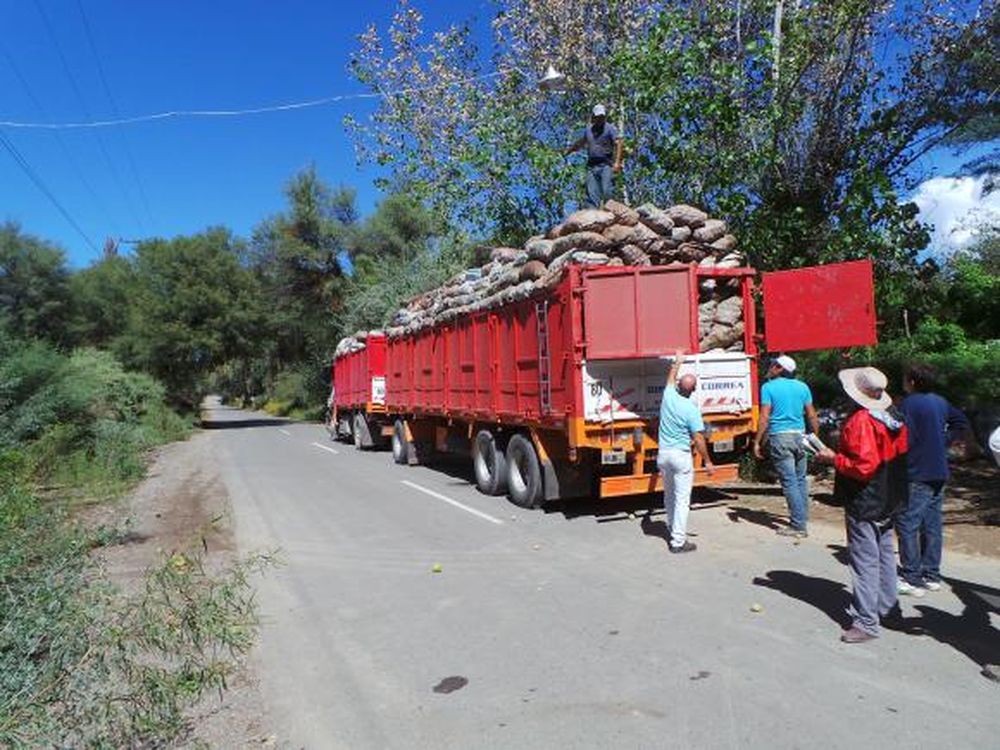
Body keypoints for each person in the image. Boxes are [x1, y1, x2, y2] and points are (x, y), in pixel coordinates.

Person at [815, 367, 909, 644]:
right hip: (890, 494)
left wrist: (833, 459)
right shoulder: (894, 415)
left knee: (865, 561)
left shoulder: (861, 421)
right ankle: (888, 609)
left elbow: (863, 466)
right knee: (885, 555)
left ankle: (866, 621)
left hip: (865, 498)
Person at [895, 363, 970, 597]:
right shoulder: (940, 401)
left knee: (908, 523)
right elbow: (961, 422)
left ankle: (911, 576)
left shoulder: (907, 404)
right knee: (932, 524)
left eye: (906, 378)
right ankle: (931, 575)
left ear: (913, 382)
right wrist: (944, 440)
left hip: (917, 470)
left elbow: (897, 433)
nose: (904, 381)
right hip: (939, 469)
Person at [752, 355, 820, 538]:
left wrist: (757, 441)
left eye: (773, 365)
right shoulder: (802, 387)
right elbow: (812, 415)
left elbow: (765, 417)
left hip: (780, 438)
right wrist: (815, 437)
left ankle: (798, 525)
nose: (770, 367)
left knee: (789, 482)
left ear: (780, 369)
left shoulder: (768, 387)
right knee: (800, 480)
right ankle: (801, 519)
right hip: (800, 437)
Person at [657, 350, 714, 553]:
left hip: (663, 455)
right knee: (682, 500)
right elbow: (698, 438)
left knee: (669, 496)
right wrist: (707, 460)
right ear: (693, 390)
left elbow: (671, 378)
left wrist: (677, 361)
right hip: (680, 456)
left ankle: (673, 528)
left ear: (679, 386)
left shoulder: (668, 397)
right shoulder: (691, 410)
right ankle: (678, 541)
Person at [563, 104, 623, 208]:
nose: (600, 119)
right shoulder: (588, 130)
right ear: (593, 117)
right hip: (591, 166)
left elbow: (619, 143)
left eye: (602, 117)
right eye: (598, 117)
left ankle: (611, 214)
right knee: (591, 195)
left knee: (607, 190)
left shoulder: (610, 128)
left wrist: (617, 162)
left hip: (606, 165)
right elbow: (581, 142)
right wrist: (569, 150)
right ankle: (593, 219)